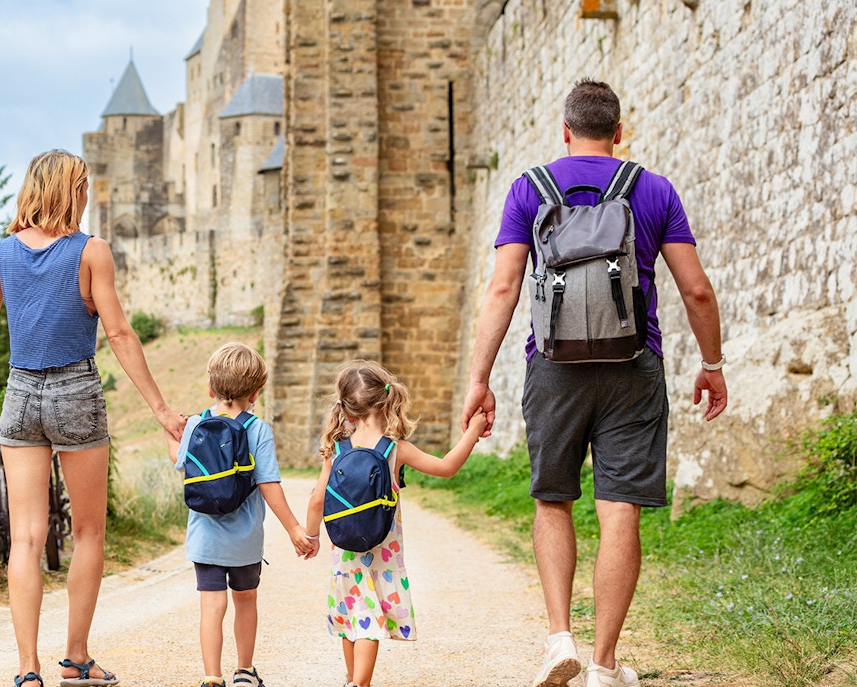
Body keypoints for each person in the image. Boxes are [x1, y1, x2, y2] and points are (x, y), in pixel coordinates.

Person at [459, 79, 728, 687]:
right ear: (619, 131)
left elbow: (503, 288)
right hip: (634, 365)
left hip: (553, 368)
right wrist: (711, 365)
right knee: (620, 508)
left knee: (553, 500)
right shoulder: (653, 190)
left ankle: (560, 639)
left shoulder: (530, 189)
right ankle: (604, 666)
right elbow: (696, 290)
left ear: (565, 131)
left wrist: (479, 378)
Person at [0, 149, 186, 687]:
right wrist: (160, 410)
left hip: (18, 393)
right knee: (87, 532)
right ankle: (76, 660)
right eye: (83, 187)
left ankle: (27, 668)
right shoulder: (91, 251)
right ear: (70, 191)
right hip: (75, 391)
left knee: (25, 539)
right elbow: (119, 333)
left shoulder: (1, 253)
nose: (86, 197)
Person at [305, 361, 488, 687]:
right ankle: (359, 684)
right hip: (382, 554)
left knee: (352, 616)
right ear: (386, 401)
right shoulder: (395, 450)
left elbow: (317, 499)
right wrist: (473, 431)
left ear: (347, 407)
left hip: (345, 552)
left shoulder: (337, 449)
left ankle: (352, 679)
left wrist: (311, 535)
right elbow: (446, 467)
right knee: (369, 622)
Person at [168, 342, 315, 687]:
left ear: (210, 388)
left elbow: (180, 461)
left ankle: (212, 676)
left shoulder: (196, 425)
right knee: (246, 600)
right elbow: (268, 483)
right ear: (256, 393)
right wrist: (294, 528)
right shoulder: (257, 429)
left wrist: (169, 435)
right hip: (245, 540)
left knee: (211, 606)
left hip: (204, 538)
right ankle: (245, 672)